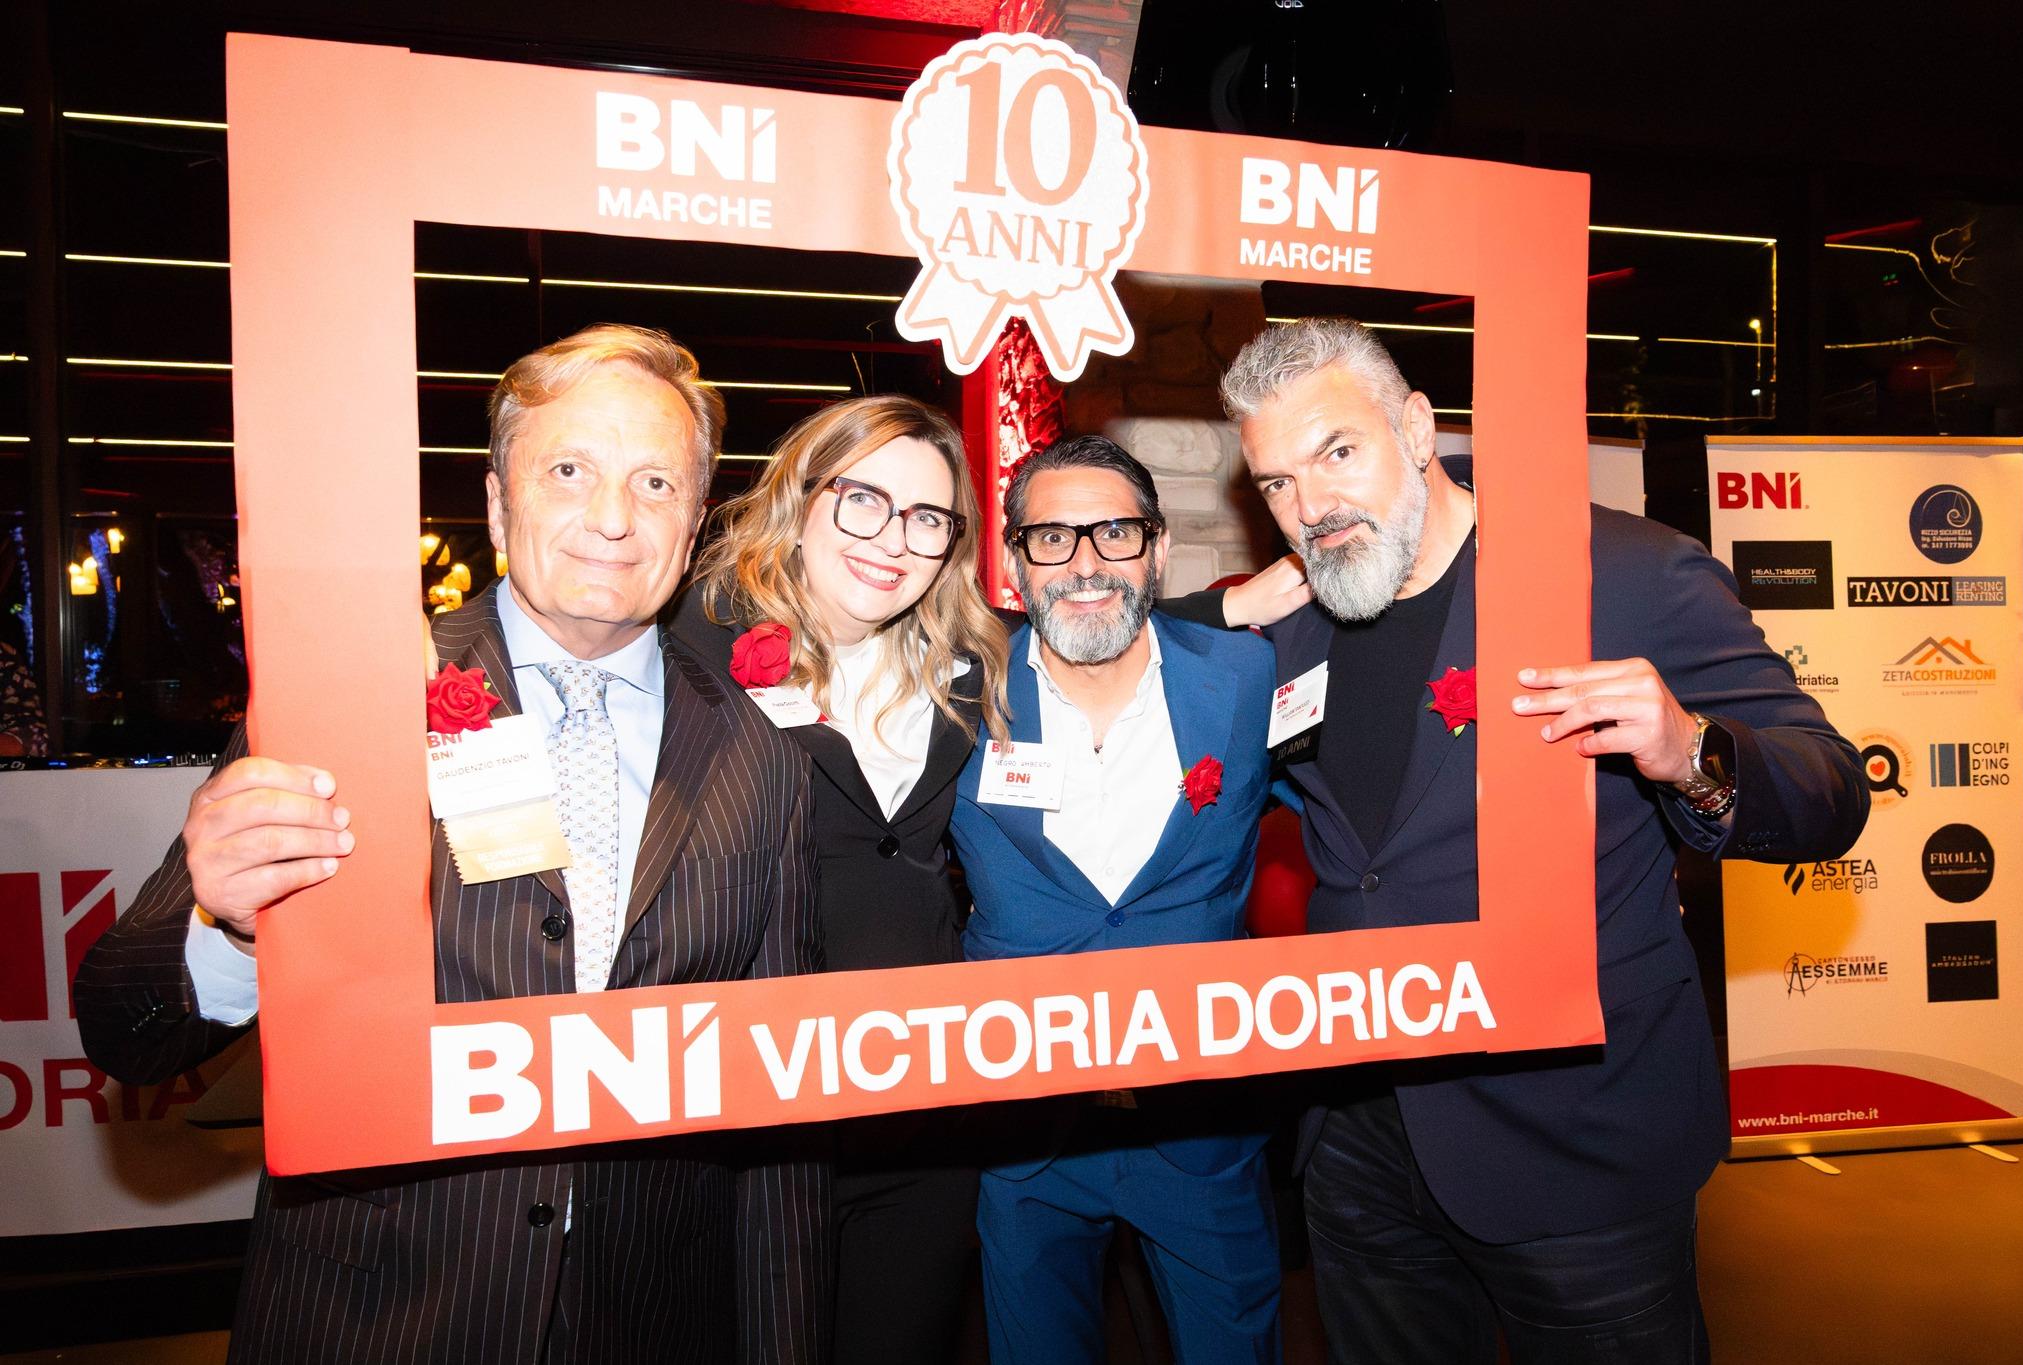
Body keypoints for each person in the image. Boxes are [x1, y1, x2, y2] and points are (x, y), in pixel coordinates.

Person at [74, 324, 828, 1365]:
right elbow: (128, 1028)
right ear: (495, 501)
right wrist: (234, 932)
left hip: (650, 1313)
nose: (613, 518)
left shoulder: (761, 757)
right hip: (382, 1315)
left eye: (655, 483)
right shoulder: (351, 699)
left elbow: (779, 1105)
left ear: (694, 519)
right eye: (569, 471)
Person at [1205, 317, 1868, 1363]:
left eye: (1336, 452)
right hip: (1358, 1136)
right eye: (1276, 482)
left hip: (1576, 1139)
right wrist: (1222, 612)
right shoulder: (1291, 611)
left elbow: (1830, 789)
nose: (1311, 505)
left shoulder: (1623, 571)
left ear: (1415, 427)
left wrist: (1689, 749)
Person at [671, 394, 1011, 1365]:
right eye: (863, 499)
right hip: (758, 1111)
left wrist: (1226, 606)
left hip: (922, 1101)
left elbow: (1096, 627)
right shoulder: (690, 640)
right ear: (801, 497)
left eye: (927, 518)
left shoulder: (964, 661)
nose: (892, 540)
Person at [949, 435, 1285, 1365]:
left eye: (1116, 533)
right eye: (1053, 537)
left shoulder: (1245, 679)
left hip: (1204, 1127)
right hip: (1026, 1130)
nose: (1086, 563)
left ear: (1159, 549)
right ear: (1016, 561)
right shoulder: (952, 695)